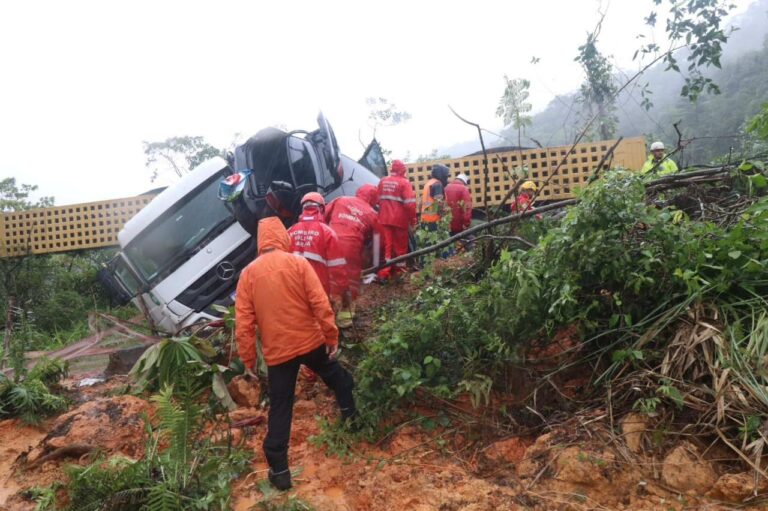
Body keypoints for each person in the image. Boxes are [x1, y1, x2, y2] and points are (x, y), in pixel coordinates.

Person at [235, 217, 356, 491]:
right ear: (282, 237)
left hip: (278, 353)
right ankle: (352, 415)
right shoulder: (298, 263)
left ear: (260, 241)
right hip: (311, 341)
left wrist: (249, 361)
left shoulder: (248, 275)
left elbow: (243, 324)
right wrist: (331, 335)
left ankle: (280, 472)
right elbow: (319, 302)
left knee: (281, 406)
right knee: (335, 376)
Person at [324, 184, 380, 328]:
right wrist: (375, 267)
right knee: (349, 284)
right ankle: (344, 322)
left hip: (329, 243)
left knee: (327, 280)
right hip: (351, 248)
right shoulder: (372, 214)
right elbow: (377, 242)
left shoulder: (340, 200)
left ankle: (326, 319)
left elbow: (323, 217)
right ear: (374, 199)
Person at [287, 192, 347, 302]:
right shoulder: (327, 232)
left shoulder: (290, 231)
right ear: (322, 209)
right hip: (319, 289)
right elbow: (337, 267)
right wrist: (342, 290)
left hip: (295, 289)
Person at [377, 159, 416, 280]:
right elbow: (410, 204)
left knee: (387, 247)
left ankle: (385, 273)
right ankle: (400, 271)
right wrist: (413, 220)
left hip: (384, 218)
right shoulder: (404, 183)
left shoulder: (383, 181)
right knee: (400, 247)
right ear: (402, 170)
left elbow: (378, 198)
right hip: (399, 220)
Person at [420, 164, 450, 229]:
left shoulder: (428, 183)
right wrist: (444, 216)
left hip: (425, 220)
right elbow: (439, 203)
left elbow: (421, 202)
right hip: (434, 222)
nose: (446, 179)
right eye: (446, 176)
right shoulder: (437, 185)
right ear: (441, 175)